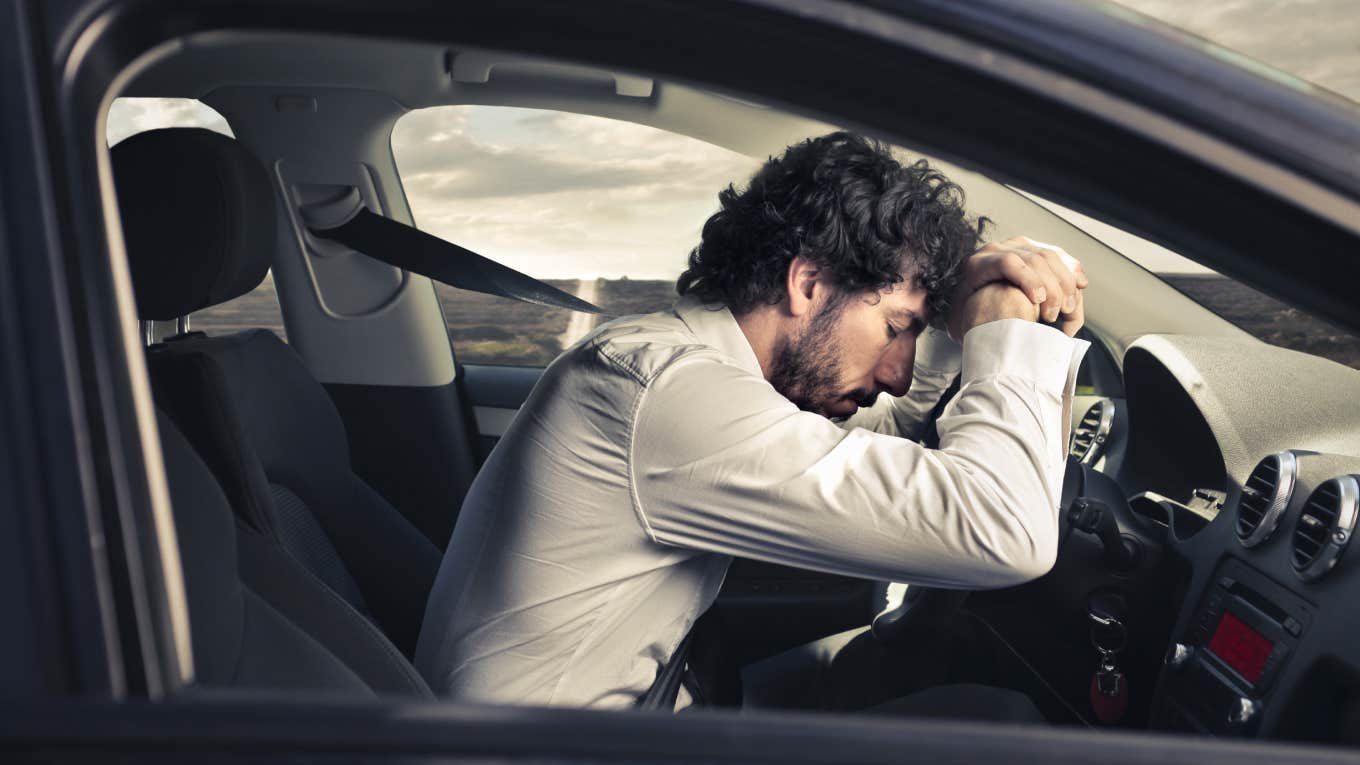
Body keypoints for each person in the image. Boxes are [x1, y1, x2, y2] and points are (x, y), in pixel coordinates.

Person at [415, 132, 1089, 715]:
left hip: (657, 704)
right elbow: (1007, 530)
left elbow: (887, 430)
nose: (897, 373)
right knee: (1001, 722)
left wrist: (953, 321)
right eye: (894, 328)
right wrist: (1001, 324)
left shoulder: (686, 368)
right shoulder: (668, 395)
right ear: (806, 284)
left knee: (897, 669)